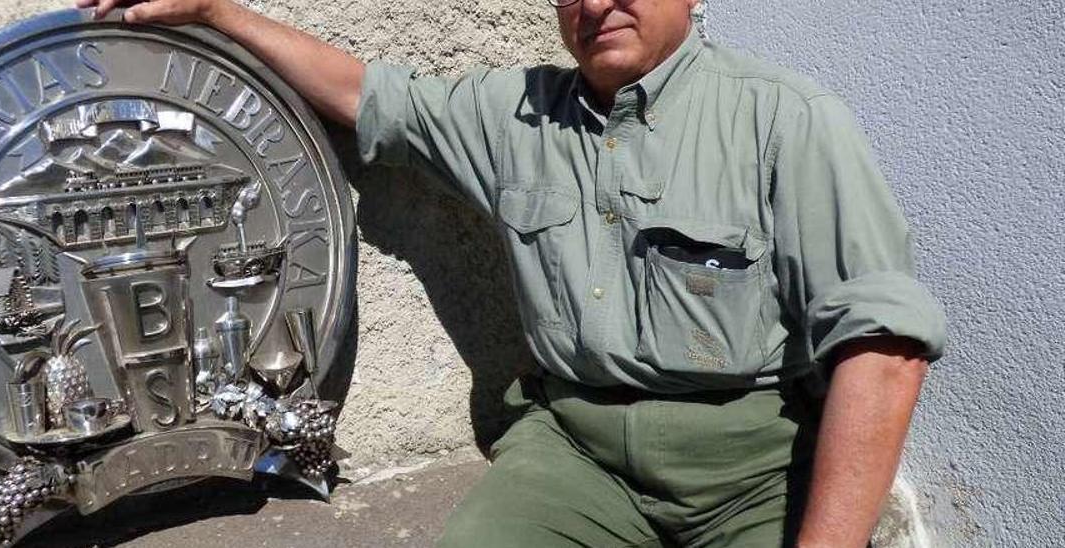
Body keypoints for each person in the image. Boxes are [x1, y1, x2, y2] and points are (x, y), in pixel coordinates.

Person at [76, 0, 948, 546]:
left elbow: (882, 349)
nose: (596, 4)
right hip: (578, 455)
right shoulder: (517, 114)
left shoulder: (784, 122)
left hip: (754, 466)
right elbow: (371, 95)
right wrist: (218, 13)